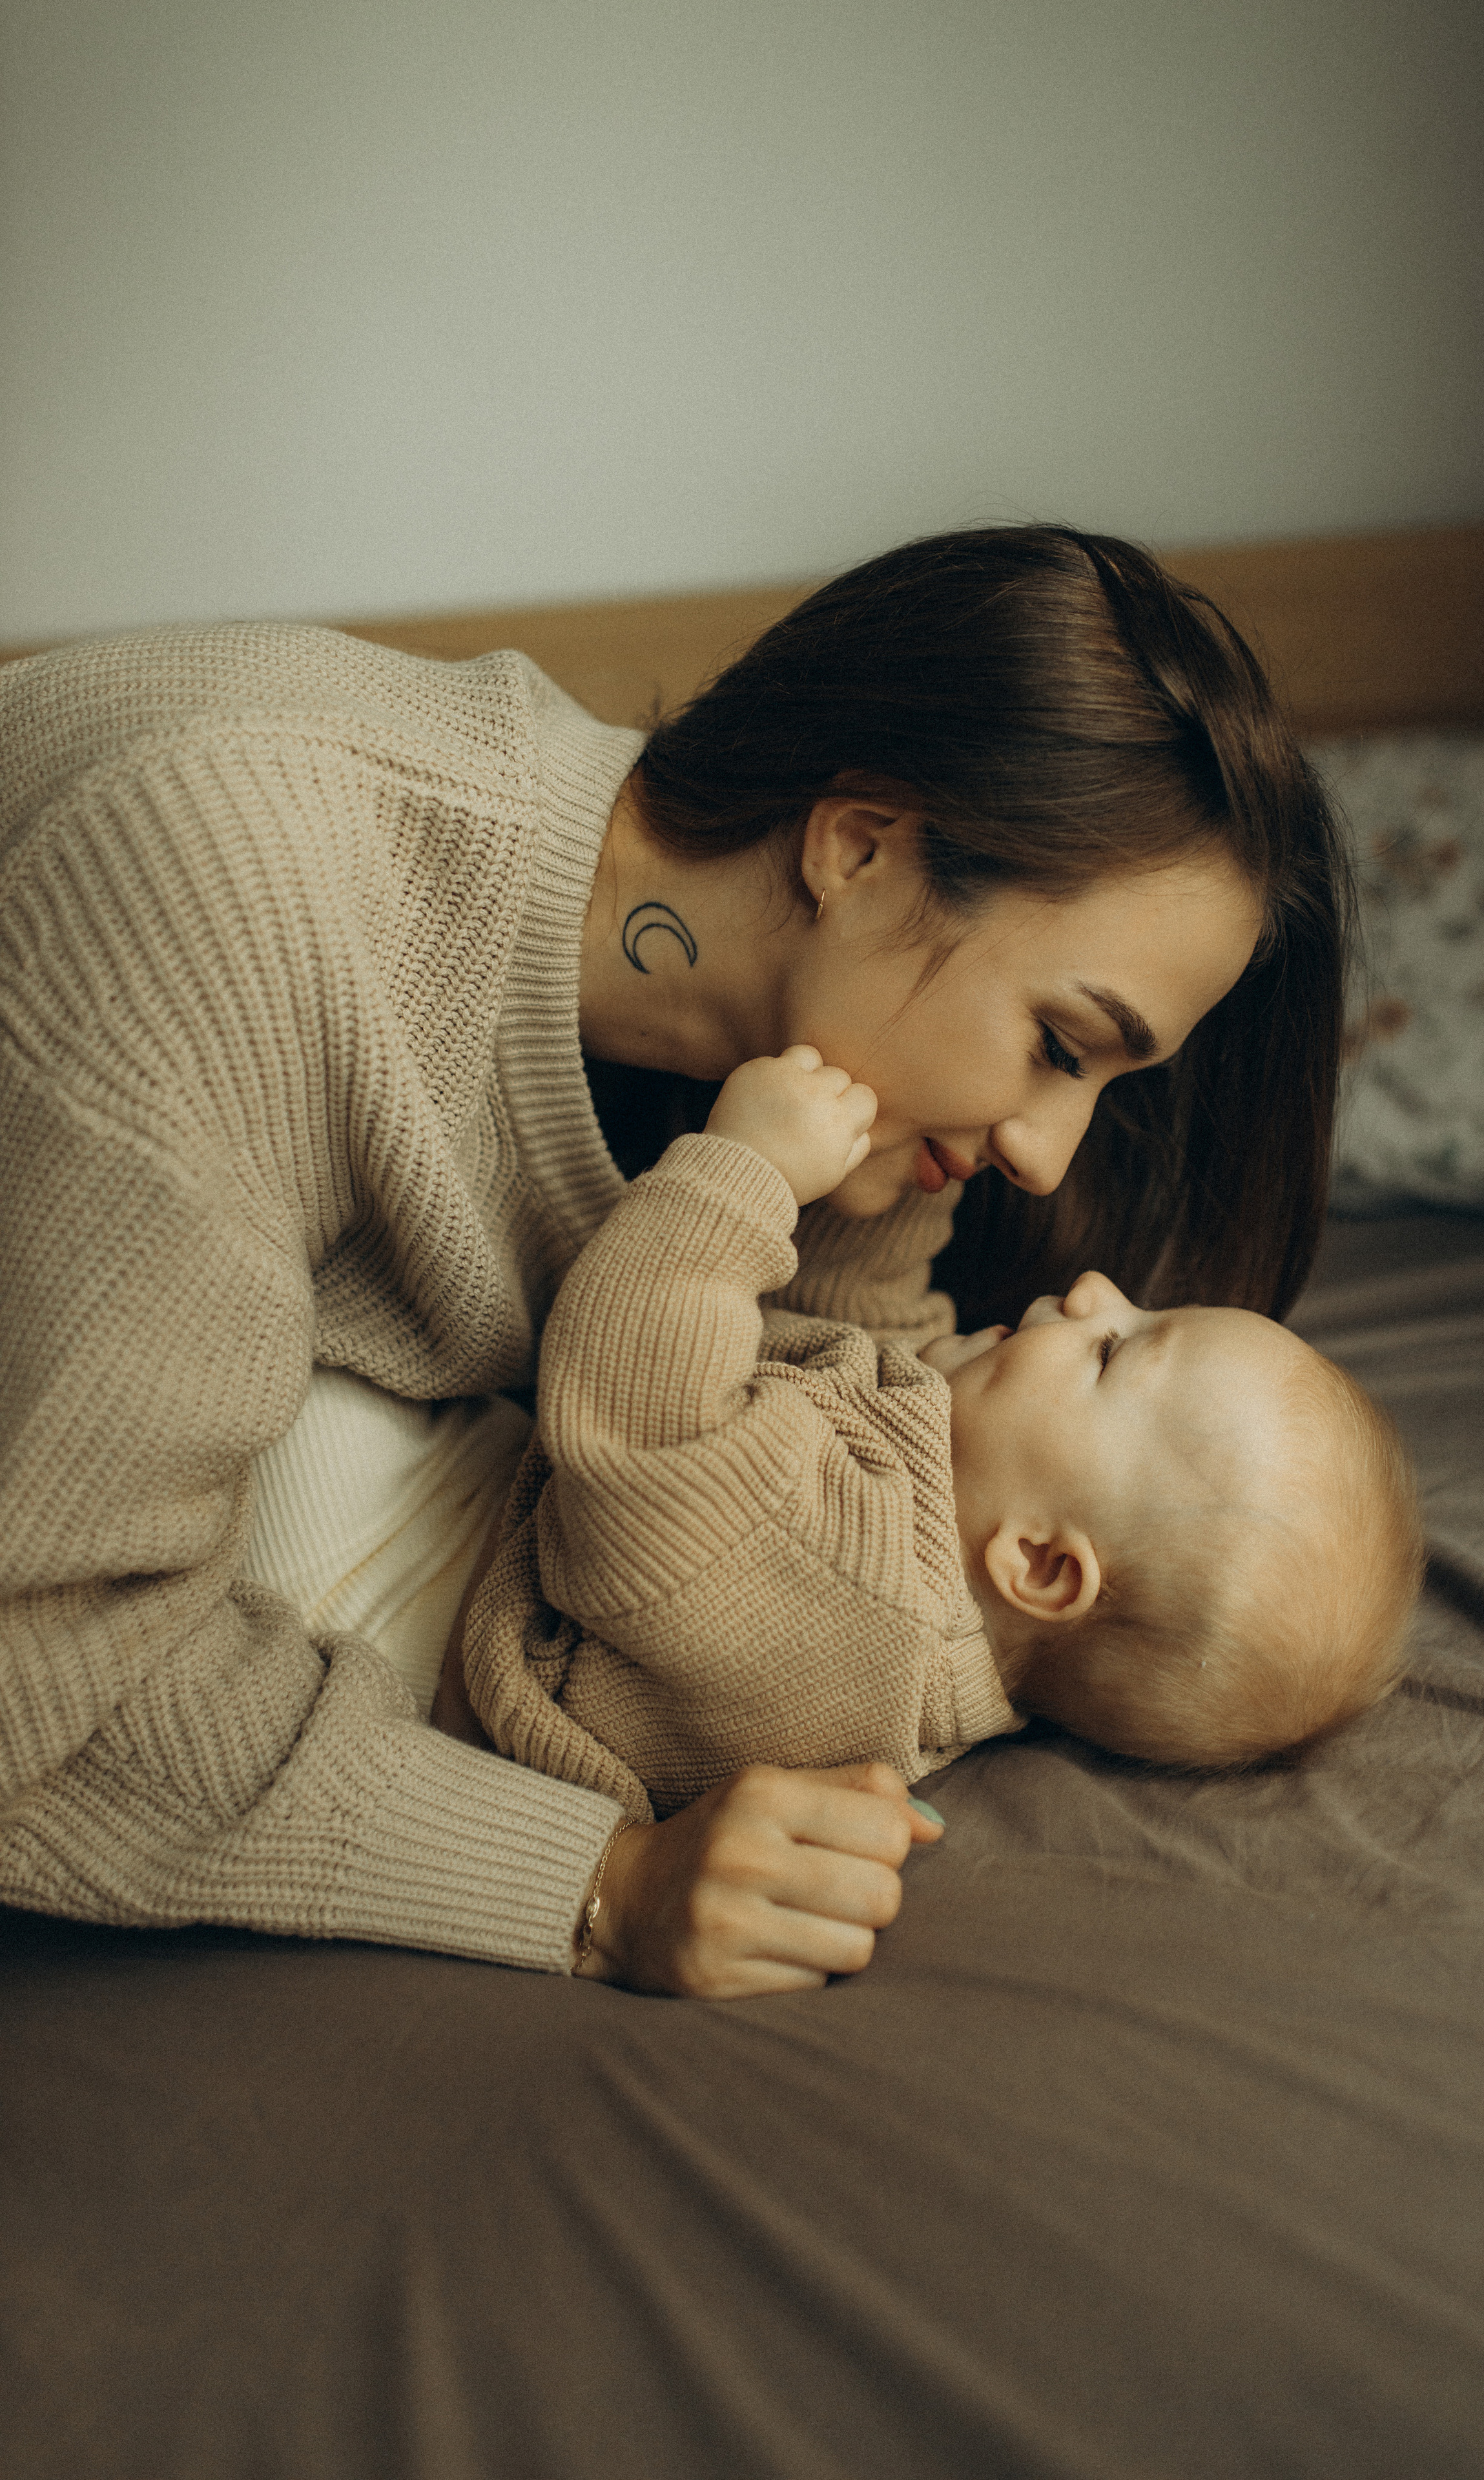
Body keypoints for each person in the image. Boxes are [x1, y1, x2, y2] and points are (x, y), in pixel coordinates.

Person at [0, 524, 1350, 1996]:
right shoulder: (225, 910)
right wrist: (600, 1880)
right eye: (1060, 1045)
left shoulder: (844, 1080)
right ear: (859, 849)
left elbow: (857, 1390)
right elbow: (37, 1680)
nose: (1046, 1157)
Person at [450, 1047, 1420, 1914]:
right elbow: (855, 1315)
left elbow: (637, 1401)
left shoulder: (848, 1591)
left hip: (447, 1610)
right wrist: (914, 1140)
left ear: (1039, 1565)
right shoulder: (945, 1493)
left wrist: (744, 1175)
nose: (1094, 1291)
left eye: (1111, 1350)